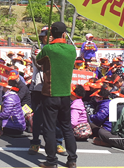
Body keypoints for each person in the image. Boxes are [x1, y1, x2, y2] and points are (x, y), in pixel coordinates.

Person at [36, 22, 77, 168]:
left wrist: (46, 45)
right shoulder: (72, 50)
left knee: (50, 128)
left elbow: (38, 61)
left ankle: (52, 161)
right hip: (66, 94)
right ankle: (72, 160)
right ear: (65, 34)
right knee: (67, 127)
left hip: (50, 94)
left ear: (51, 34)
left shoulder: (48, 49)